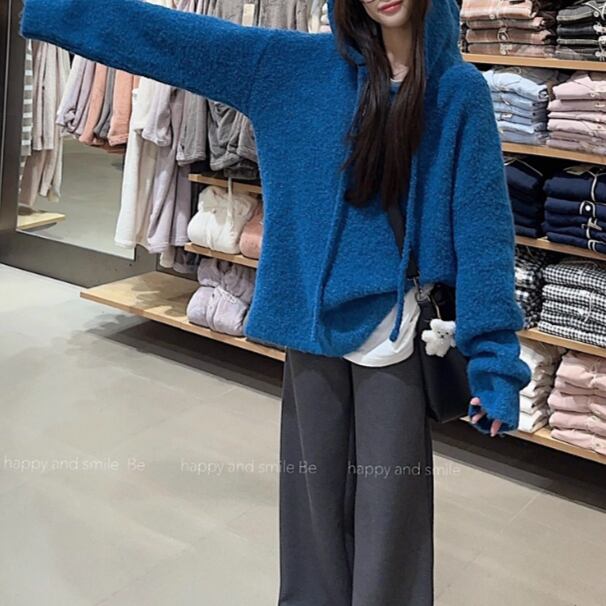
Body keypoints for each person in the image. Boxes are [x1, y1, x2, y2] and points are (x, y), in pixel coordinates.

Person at [20, 0, 532, 604]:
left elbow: (483, 233)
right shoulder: (291, 67)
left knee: (391, 517)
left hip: (395, 330)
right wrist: (53, 7)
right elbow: (169, 38)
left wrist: (495, 359)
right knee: (312, 508)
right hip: (309, 326)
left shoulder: (457, 91)